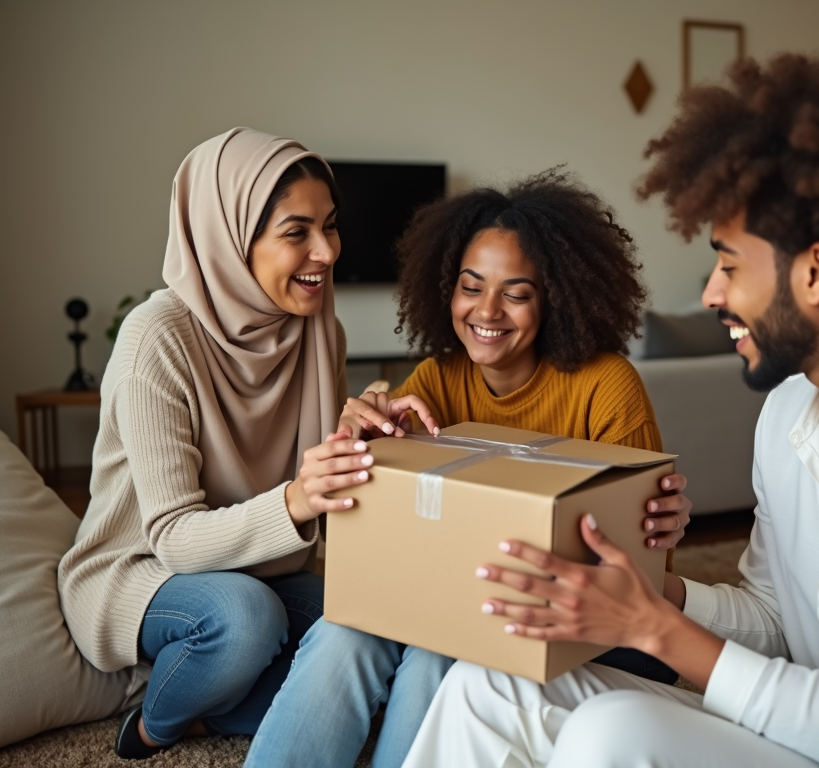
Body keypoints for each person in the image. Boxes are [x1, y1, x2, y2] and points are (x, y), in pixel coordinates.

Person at [400, 55, 819, 768]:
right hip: (795, 722)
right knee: (491, 688)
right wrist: (653, 588)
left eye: (729, 264)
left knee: (611, 734)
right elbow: (772, 620)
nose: (711, 294)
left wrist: (650, 627)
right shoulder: (790, 412)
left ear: (815, 271)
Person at [244, 170, 691, 768]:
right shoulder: (436, 381)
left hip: (583, 627)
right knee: (345, 624)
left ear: (555, 297)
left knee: (435, 648)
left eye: (516, 293)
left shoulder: (606, 386)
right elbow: (383, 531)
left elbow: (645, 560)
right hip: (460, 599)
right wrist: (361, 444)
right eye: (470, 286)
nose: (487, 311)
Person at [56, 128, 424, 760]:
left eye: (331, 226)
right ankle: (158, 723)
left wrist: (366, 444)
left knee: (382, 629)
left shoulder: (318, 330)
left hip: (263, 569)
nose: (326, 251)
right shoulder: (157, 338)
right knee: (248, 621)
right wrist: (300, 500)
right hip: (142, 572)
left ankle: (215, 714)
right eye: (296, 232)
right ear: (230, 239)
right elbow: (172, 535)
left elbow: (322, 488)